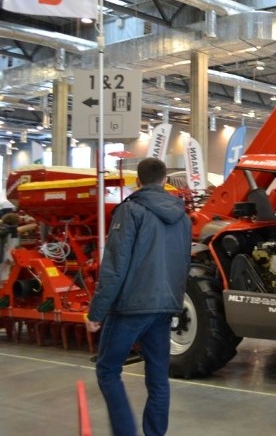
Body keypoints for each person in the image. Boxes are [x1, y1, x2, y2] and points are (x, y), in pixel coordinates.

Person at [85, 158, 191, 436]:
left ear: (138, 181)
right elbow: (183, 264)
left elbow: (115, 266)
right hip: (166, 306)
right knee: (158, 379)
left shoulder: (130, 211)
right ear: (165, 179)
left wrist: (96, 312)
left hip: (132, 307)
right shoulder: (183, 216)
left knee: (108, 370)